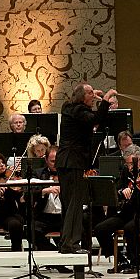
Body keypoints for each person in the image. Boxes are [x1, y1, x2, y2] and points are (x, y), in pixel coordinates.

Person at [56, 82, 117, 254]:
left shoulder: (68, 106)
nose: (94, 95)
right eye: (90, 93)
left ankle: (66, 242)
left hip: (66, 162)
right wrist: (105, 100)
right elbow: (95, 119)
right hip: (73, 161)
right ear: (82, 97)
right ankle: (71, 244)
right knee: (74, 203)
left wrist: (92, 94)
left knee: (69, 204)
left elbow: (87, 111)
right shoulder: (78, 111)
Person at [94, 144, 140, 273]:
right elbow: (117, 190)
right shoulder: (126, 172)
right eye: (128, 164)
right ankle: (121, 260)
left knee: (130, 227)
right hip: (128, 213)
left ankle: (136, 264)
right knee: (100, 229)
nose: (130, 167)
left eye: (132, 164)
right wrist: (122, 191)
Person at [31, 145, 72, 273]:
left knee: (79, 229)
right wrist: (45, 190)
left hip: (63, 216)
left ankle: (78, 264)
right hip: (45, 216)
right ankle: (56, 259)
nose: (56, 164)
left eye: (58, 160)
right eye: (52, 161)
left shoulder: (69, 173)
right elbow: (28, 193)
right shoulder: (38, 173)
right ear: (46, 160)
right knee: (30, 231)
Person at [0, 152, 26, 252]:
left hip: (9, 215)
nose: (2, 165)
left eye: (3, 162)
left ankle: (16, 252)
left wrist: (12, 187)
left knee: (16, 224)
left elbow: (18, 195)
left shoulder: (9, 179)